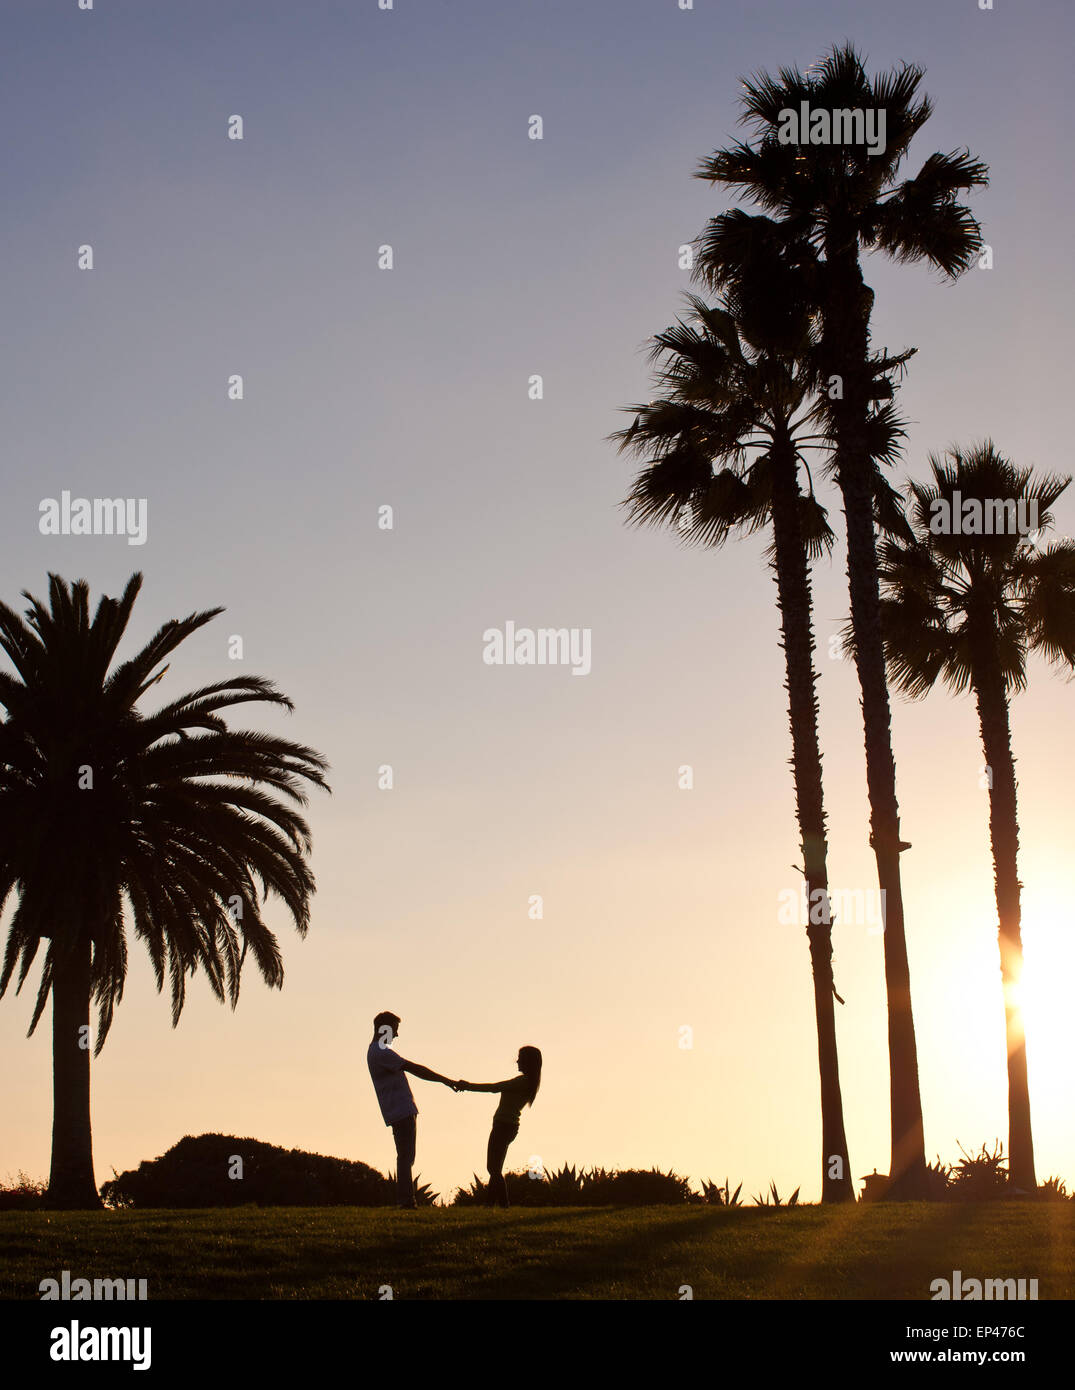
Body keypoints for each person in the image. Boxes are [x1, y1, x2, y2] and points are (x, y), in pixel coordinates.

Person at [367, 1011, 460, 1208]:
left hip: (399, 1111)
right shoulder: (381, 1052)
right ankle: (406, 1201)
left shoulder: (378, 1051)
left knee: (406, 1156)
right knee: (406, 1157)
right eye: (395, 1030)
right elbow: (415, 1069)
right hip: (401, 1111)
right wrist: (446, 1080)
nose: (397, 1035)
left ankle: (406, 1200)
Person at [457, 1046, 542, 1208]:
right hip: (507, 1126)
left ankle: (503, 1204)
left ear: (528, 1062)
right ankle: (490, 1204)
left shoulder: (523, 1081)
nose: (517, 1061)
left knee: (493, 1168)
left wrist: (467, 1086)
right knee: (495, 1167)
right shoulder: (527, 1082)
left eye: (520, 1058)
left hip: (504, 1126)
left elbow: (494, 1088)